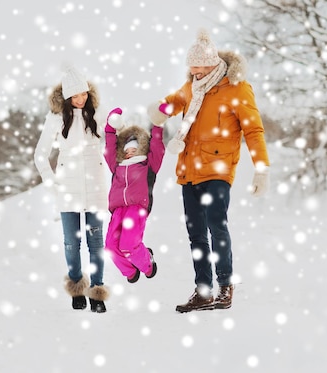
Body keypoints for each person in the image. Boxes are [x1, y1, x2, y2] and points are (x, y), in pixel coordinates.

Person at [147, 29, 270, 312]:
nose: (196, 71)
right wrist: (161, 109)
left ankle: (225, 285)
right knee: (196, 233)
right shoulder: (191, 86)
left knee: (217, 225)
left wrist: (261, 168)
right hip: (189, 170)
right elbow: (174, 101)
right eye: (192, 66)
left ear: (214, 63)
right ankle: (203, 291)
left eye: (201, 66)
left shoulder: (237, 88)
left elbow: (253, 130)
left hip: (218, 169)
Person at [33, 65, 110, 313]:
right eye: (75, 96)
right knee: (71, 243)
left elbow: (114, 145)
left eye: (83, 94)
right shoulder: (56, 119)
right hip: (68, 189)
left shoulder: (98, 115)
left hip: (95, 186)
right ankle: (77, 287)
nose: (80, 100)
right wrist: (51, 180)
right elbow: (40, 154)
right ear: (67, 97)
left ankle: (97, 291)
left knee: (96, 243)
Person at [102, 107, 166, 283]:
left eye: (134, 148)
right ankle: (130, 272)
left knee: (128, 245)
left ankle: (148, 265)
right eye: (127, 149)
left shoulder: (148, 165)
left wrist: (158, 125)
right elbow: (109, 148)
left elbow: (157, 147)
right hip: (117, 210)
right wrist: (109, 128)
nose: (130, 152)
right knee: (110, 247)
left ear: (141, 149)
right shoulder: (117, 166)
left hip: (137, 208)